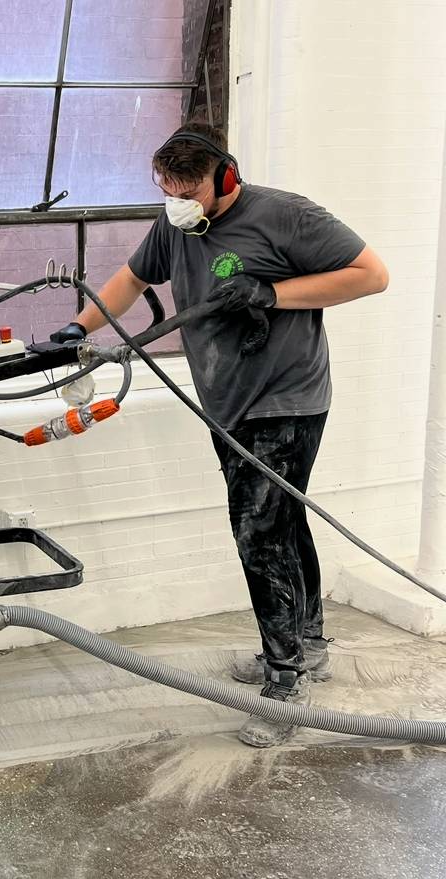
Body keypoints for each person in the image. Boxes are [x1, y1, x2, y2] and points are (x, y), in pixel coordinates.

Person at [51, 121, 388, 747]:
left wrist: (272, 292)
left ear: (225, 178)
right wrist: (80, 327)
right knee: (281, 522)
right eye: (166, 189)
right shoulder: (175, 226)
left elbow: (371, 275)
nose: (178, 201)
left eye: (190, 189)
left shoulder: (286, 217)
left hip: (286, 398)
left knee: (259, 533)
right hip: (228, 402)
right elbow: (131, 280)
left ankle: (283, 682)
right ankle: (306, 643)